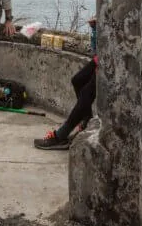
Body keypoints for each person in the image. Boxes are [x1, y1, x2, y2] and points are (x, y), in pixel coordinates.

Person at [34, 17, 97, 150]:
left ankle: (60, 136)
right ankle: (86, 121)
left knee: (86, 92)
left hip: (104, 60)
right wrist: (95, 27)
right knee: (78, 80)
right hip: (99, 58)